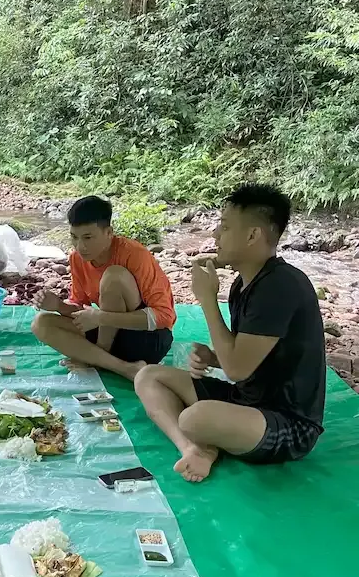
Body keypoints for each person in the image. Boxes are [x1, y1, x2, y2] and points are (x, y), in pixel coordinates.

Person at [135, 184, 326, 483]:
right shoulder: (243, 284)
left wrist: (207, 300)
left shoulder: (280, 285)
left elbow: (237, 369)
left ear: (252, 235)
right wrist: (213, 358)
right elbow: (248, 356)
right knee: (148, 376)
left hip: (287, 422)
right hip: (245, 399)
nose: (215, 235)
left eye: (224, 227)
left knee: (194, 418)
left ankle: (204, 441)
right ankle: (193, 448)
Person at [31, 195, 176, 380]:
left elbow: (164, 317)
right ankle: (125, 368)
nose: (80, 246)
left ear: (109, 233)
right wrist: (58, 306)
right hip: (109, 337)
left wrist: (101, 317)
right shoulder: (77, 259)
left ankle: (97, 358)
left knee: (113, 276)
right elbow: (81, 312)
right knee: (41, 323)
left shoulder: (134, 254)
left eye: (88, 237)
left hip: (146, 340)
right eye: (74, 237)